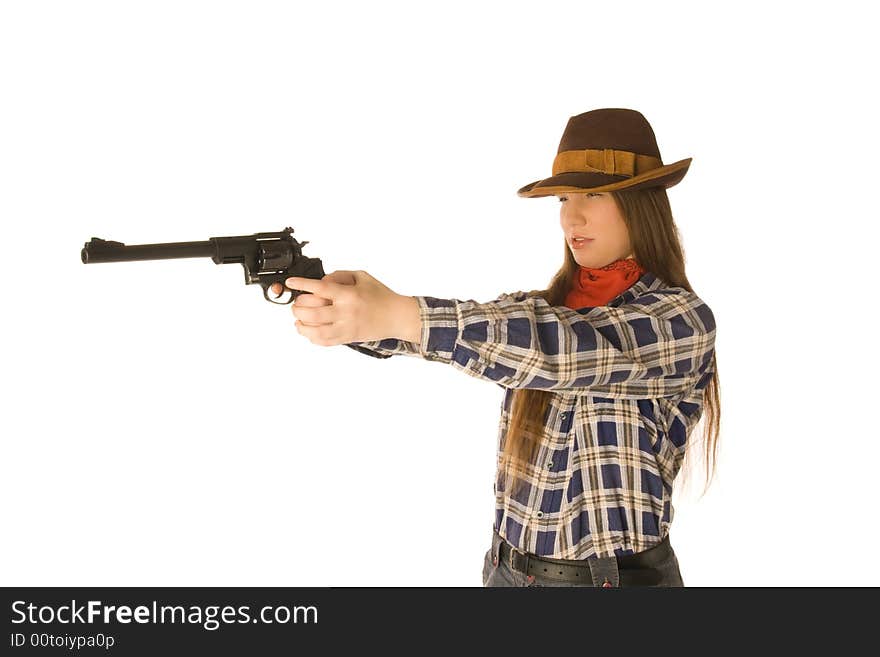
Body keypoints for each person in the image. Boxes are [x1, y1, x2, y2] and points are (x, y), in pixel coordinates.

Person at [271, 108, 720, 587]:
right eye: (564, 197)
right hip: (507, 573)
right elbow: (474, 335)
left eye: (594, 193)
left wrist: (398, 312)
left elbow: (555, 349)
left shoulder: (679, 320)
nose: (572, 214)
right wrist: (344, 307)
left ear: (642, 203)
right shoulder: (536, 310)